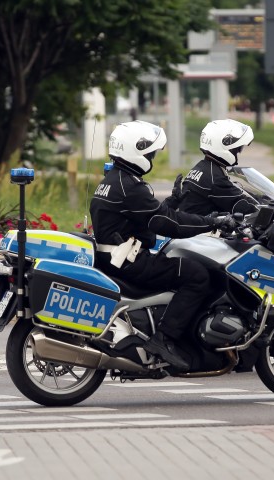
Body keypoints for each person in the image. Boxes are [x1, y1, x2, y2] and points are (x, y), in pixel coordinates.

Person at [90, 120, 234, 371]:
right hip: (131, 262)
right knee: (197, 275)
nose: (152, 156)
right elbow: (169, 223)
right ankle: (164, 339)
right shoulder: (129, 186)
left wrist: (174, 199)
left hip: (117, 257)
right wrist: (211, 221)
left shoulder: (115, 179)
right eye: (150, 152)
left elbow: (152, 213)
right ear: (137, 151)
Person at [175, 119, 259, 216]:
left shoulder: (203, 167)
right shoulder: (215, 178)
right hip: (199, 229)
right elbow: (241, 204)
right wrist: (263, 210)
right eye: (236, 149)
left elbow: (233, 192)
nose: (238, 152)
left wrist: (260, 198)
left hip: (193, 226)